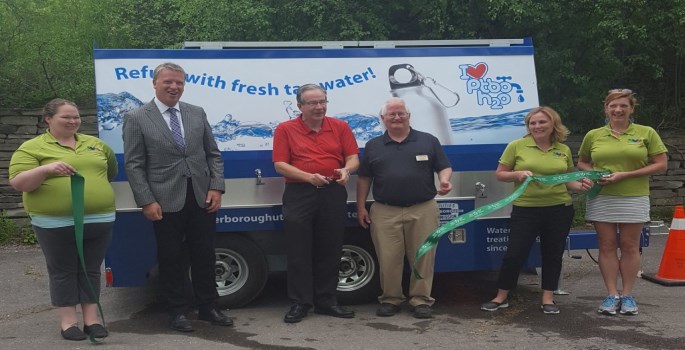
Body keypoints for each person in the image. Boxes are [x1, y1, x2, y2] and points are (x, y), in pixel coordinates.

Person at [122, 62, 232, 332]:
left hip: (201, 196)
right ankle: (178, 312)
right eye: (168, 82)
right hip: (164, 200)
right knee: (171, 258)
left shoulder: (196, 113)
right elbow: (134, 164)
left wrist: (216, 187)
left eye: (179, 83)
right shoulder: (137, 117)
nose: (174, 87)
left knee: (205, 255)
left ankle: (209, 308)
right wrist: (146, 200)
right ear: (155, 84)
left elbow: (213, 154)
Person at [8, 99, 117, 341]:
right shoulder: (32, 147)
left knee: (90, 269)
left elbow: (110, 172)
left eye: (76, 117)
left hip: (99, 219)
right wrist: (45, 170)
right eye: (66, 117)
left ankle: (92, 320)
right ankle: (68, 322)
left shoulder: (96, 144)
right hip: (54, 223)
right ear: (48, 119)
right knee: (63, 270)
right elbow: (18, 183)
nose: (73, 121)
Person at [480, 106, 593, 314]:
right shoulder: (517, 146)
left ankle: (548, 298)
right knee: (514, 254)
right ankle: (501, 296)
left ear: (553, 125)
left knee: (553, 254)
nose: (537, 126)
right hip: (526, 210)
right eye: (533, 123)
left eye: (542, 122)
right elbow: (501, 174)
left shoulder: (563, 149)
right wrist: (518, 174)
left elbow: (566, 180)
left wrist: (582, 185)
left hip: (559, 209)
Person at [356, 97, 453, 319]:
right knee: (388, 258)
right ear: (383, 119)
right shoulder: (373, 145)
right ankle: (391, 299)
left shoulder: (428, 140)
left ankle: (421, 301)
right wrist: (361, 206)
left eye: (401, 113)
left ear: (409, 116)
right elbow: (363, 179)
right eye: (392, 114)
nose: (397, 117)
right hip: (384, 210)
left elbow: (444, 167)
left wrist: (445, 180)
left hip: (423, 209)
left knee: (423, 257)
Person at [272, 83, 359, 323]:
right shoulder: (285, 129)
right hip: (299, 192)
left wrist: (346, 170)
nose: (319, 107)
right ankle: (300, 303)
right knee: (299, 250)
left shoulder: (340, 127)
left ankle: (327, 301)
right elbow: (280, 164)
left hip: (332, 191)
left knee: (330, 248)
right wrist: (308, 177)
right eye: (313, 103)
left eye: (323, 101)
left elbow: (353, 157)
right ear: (300, 106)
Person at [577, 89, 667, 316]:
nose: (618, 110)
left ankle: (627, 295)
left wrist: (625, 175)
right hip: (602, 197)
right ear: (606, 109)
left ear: (631, 109)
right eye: (613, 106)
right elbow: (582, 163)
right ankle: (611, 294)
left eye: (623, 106)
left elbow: (660, 164)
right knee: (606, 245)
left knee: (629, 246)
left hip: (634, 196)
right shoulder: (594, 135)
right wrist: (595, 173)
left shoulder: (646, 133)